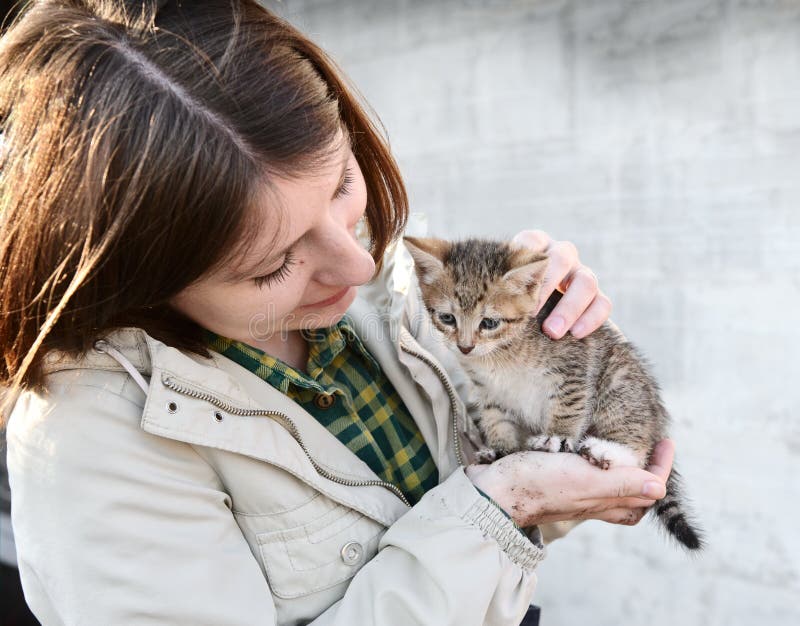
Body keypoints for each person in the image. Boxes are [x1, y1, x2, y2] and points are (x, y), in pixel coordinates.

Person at [0, 1, 675, 624]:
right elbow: (491, 509)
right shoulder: (92, 438)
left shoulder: (384, 285)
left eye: (342, 184)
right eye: (272, 265)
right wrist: (506, 507)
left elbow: (484, 488)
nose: (357, 265)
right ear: (140, 277)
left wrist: (550, 353)